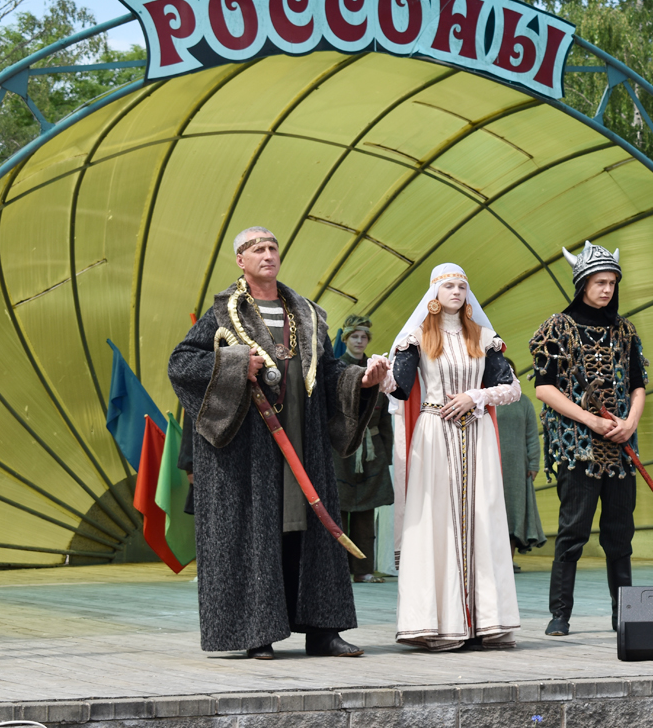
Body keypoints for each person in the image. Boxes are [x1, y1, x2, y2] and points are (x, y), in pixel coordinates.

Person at [168, 226, 389, 659]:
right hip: (248, 446)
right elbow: (182, 363)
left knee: (312, 529)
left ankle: (323, 632)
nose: (268, 254)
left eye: (273, 248)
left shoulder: (307, 314)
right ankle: (257, 633)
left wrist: (360, 380)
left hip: (303, 438)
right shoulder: (224, 313)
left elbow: (327, 372)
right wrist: (235, 362)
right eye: (258, 249)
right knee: (257, 532)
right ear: (241, 261)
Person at [386, 264, 522, 650]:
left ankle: (487, 622)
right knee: (436, 522)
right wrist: (380, 374)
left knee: (483, 518)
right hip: (433, 431)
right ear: (434, 292)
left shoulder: (483, 337)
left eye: (462, 286)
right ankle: (437, 623)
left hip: (477, 433)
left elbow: (512, 388)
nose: (457, 291)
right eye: (449, 285)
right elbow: (399, 388)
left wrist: (475, 396)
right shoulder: (417, 337)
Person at [530, 241, 647, 637]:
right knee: (573, 532)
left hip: (621, 449)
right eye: (600, 282)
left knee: (620, 535)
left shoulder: (625, 331)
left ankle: (623, 614)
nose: (607, 289)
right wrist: (590, 421)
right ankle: (559, 614)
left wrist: (630, 422)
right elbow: (544, 388)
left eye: (612, 282)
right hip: (577, 447)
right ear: (582, 284)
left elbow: (638, 385)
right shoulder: (557, 328)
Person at [332, 314, 395, 583]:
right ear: (346, 339)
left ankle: (363, 570)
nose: (359, 341)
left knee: (366, 512)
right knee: (338, 511)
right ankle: (337, 571)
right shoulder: (335, 368)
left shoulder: (378, 369)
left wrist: (386, 453)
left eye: (364, 337)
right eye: (355, 337)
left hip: (372, 451)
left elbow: (385, 417)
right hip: (340, 450)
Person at [496, 357, 546, 570]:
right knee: (493, 512)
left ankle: (508, 560)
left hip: (517, 469)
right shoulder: (484, 400)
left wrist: (533, 464)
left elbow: (532, 435)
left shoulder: (523, 402)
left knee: (514, 513)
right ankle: (491, 561)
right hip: (491, 467)